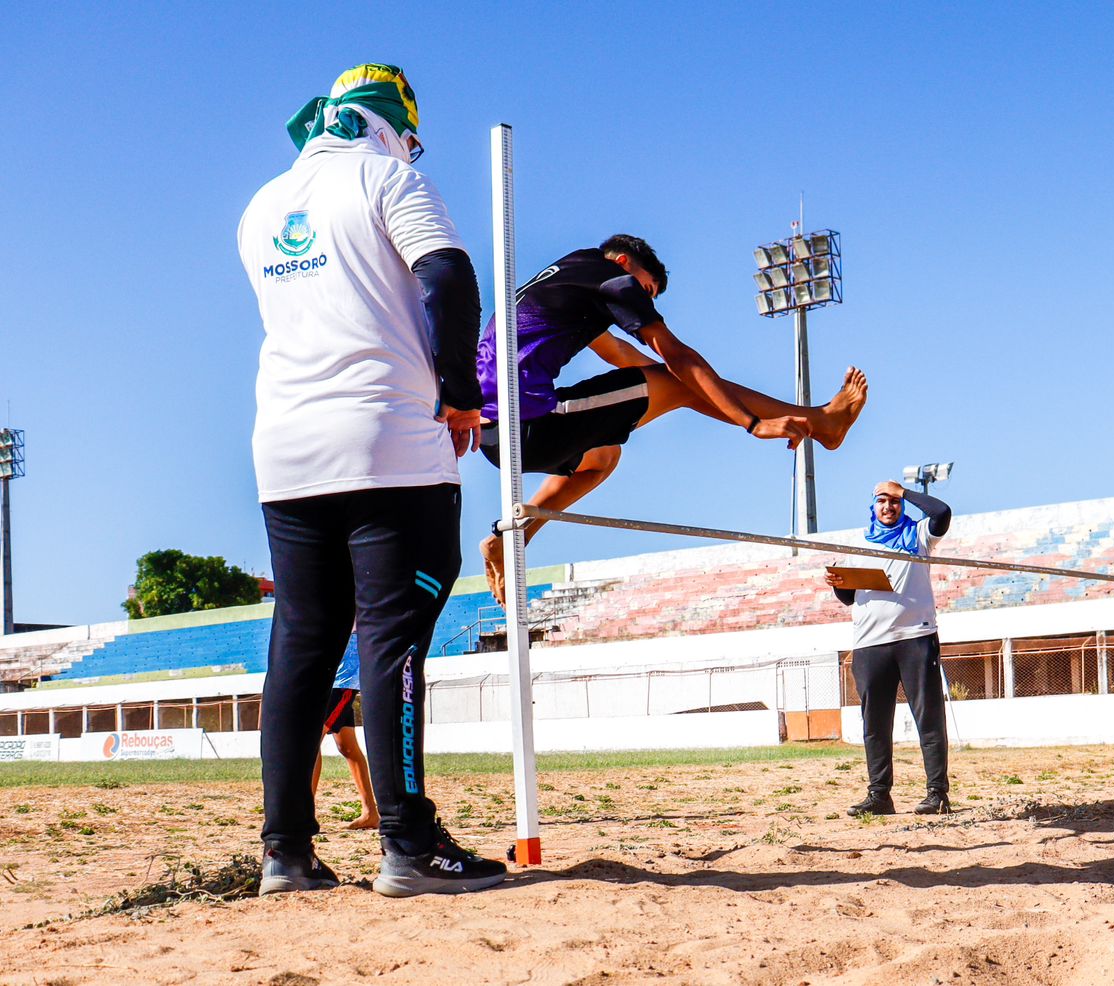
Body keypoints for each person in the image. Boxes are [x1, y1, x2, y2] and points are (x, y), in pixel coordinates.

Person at [238, 63, 505, 897]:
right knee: (393, 644)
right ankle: (408, 845)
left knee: (301, 649)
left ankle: (284, 852)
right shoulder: (391, 177)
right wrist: (462, 397)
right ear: (393, 125)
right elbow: (450, 283)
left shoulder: (261, 204)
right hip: (388, 438)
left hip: (284, 448)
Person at [475, 236, 869, 603]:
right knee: (680, 379)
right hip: (530, 426)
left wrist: (685, 386)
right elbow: (676, 357)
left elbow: (619, 355)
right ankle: (821, 422)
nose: (645, 300)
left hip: (493, 433)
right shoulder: (613, 282)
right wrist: (751, 422)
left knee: (604, 458)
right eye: (647, 290)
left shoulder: (570, 275)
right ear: (625, 264)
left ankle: (511, 539)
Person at [825, 480, 953, 816]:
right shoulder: (857, 544)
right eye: (882, 501)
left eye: (894, 502)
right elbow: (851, 597)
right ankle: (879, 795)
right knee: (875, 725)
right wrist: (839, 586)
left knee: (929, 719)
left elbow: (942, 512)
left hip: (916, 637)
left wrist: (904, 491)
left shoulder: (920, 535)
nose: (888, 506)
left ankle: (937, 794)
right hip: (870, 643)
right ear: (873, 506)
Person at [311, 634, 378, 830]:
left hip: (343, 678)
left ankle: (304, 813)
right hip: (332, 676)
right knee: (348, 748)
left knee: (312, 740)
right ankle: (370, 813)